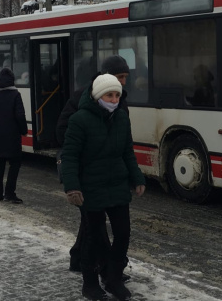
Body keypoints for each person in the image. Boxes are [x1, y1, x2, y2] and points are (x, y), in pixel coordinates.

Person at [62, 73, 145, 301]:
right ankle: (90, 284)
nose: (114, 99)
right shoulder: (79, 120)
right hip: (91, 187)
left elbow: (127, 151)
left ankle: (113, 278)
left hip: (117, 185)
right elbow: (69, 156)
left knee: (123, 234)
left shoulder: (121, 118)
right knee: (93, 236)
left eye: (117, 95)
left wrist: (137, 177)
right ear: (98, 95)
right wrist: (72, 187)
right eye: (109, 94)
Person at [56, 55, 131, 276]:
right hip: (85, 175)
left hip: (109, 176)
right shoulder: (83, 98)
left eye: (126, 77)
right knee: (94, 225)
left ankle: (80, 258)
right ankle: (103, 268)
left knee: (92, 224)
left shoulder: (117, 99)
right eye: (120, 77)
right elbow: (61, 131)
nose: (124, 82)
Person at [0, 67, 28, 203]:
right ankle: (9, 193)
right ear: (12, 80)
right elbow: (20, 115)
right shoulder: (15, 95)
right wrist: (23, 130)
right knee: (15, 164)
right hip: (12, 137)